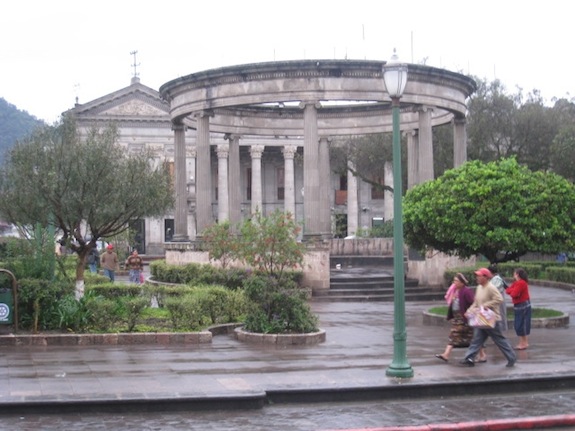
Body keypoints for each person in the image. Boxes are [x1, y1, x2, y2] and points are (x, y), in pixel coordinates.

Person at [460, 268, 516, 368]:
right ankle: (469, 358)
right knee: (477, 340)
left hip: (492, 320)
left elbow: (499, 299)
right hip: (481, 319)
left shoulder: (491, 287)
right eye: (477, 275)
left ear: (485, 277)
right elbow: (476, 303)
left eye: (479, 276)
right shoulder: (479, 288)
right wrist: (469, 311)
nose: (477, 277)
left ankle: (511, 358)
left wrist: (487, 305)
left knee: (499, 340)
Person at [435, 273, 477, 362]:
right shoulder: (455, 291)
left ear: (462, 282)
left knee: (469, 337)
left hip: (464, 318)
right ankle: (446, 354)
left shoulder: (466, 291)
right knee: (457, 336)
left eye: (456, 281)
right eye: (454, 281)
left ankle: (482, 355)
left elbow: (472, 303)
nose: (454, 283)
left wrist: (469, 313)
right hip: (457, 318)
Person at [506, 267, 531, 350]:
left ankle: (523, 343)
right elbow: (508, 290)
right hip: (519, 305)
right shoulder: (516, 283)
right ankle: (523, 342)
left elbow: (514, 294)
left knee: (521, 324)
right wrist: (512, 290)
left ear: (517, 274)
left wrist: (512, 290)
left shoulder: (521, 283)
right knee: (519, 324)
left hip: (522, 306)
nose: (513, 275)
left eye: (514, 273)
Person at [487, 264, 508, 332]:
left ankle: (500, 331)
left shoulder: (497, 279)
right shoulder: (495, 279)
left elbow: (493, 290)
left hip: (498, 302)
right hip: (497, 302)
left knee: (500, 316)